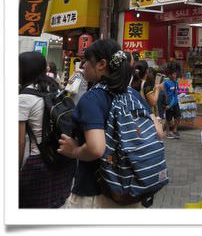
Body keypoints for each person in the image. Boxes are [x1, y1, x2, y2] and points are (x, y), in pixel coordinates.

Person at [57, 39, 143, 208]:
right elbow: (158, 131)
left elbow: (96, 148)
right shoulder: (133, 94)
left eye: (87, 60)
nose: (84, 65)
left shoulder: (93, 97)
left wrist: (74, 150)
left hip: (95, 194)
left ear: (102, 64)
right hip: (130, 190)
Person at [19, 51, 76, 208]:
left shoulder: (24, 97)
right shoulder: (54, 88)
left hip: (38, 163)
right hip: (63, 158)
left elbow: (19, 141)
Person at [163, 65, 181, 139]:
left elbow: (177, 91)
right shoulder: (166, 83)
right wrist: (166, 104)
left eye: (175, 74)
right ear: (169, 75)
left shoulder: (176, 82)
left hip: (175, 103)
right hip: (169, 104)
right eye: (173, 74)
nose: (175, 75)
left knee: (178, 117)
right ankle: (167, 132)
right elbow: (164, 94)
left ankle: (175, 130)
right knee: (168, 119)